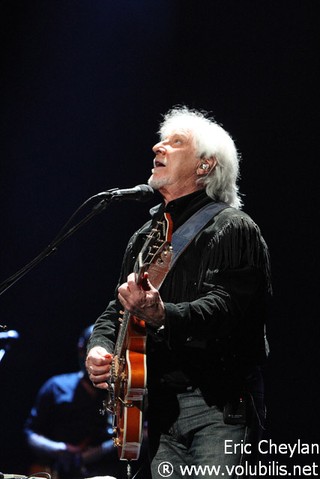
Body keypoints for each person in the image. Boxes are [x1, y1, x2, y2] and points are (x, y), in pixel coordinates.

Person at [85, 106, 272, 478]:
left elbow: (225, 309)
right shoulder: (145, 237)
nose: (158, 146)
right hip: (160, 412)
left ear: (205, 166)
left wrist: (160, 314)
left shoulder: (232, 228)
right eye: (161, 139)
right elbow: (117, 310)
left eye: (175, 142)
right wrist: (99, 347)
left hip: (218, 410)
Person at [24, 325, 121, 479]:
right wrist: (61, 449)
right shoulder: (56, 386)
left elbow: (141, 435)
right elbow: (31, 433)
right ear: (81, 351)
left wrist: (97, 452)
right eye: (90, 352)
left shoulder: (121, 393)